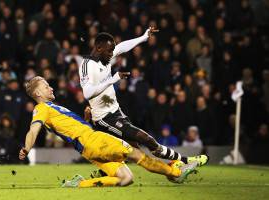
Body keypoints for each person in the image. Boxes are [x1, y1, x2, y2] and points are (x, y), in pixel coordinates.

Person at [19, 76, 198, 188]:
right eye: (46, 86)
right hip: (94, 141)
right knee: (136, 154)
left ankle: (79, 184)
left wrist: (86, 118)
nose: (50, 88)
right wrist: (27, 148)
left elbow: (71, 128)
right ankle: (175, 173)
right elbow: (33, 130)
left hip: (88, 149)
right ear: (37, 93)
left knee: (126, 178)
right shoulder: (41, 108)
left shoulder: (51, 108)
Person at [79, 27, 208, 165]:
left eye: (112, 50)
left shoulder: (105, 57)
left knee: (135, 148)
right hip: (104, 117)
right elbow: (87, 93)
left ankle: (103, 173)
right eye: (110, 51)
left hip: (116, 111)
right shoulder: (87, 65)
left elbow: (122, 46)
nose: (112, 54)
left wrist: (143, 37)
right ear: (99, 48)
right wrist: (112, 79)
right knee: (144, 139)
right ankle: (185, 161)